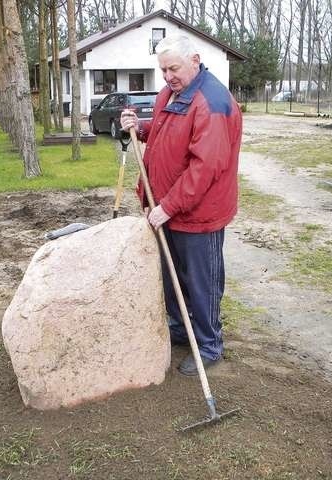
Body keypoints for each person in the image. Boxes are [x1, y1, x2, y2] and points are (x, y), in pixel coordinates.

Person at [120, 35, 242, 376]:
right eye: (163, 69)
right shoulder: (170, 95)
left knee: (202, 282)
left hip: (198, 213)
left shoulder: (212, 102)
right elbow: (165, 137)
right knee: (172, 277)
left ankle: (208, 344)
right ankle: (181, 327)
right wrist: (140, 128)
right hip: (167, 209)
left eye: (174, 67)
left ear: (195, 60)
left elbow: (204, 169)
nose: (168, 75)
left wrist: (168, 206)